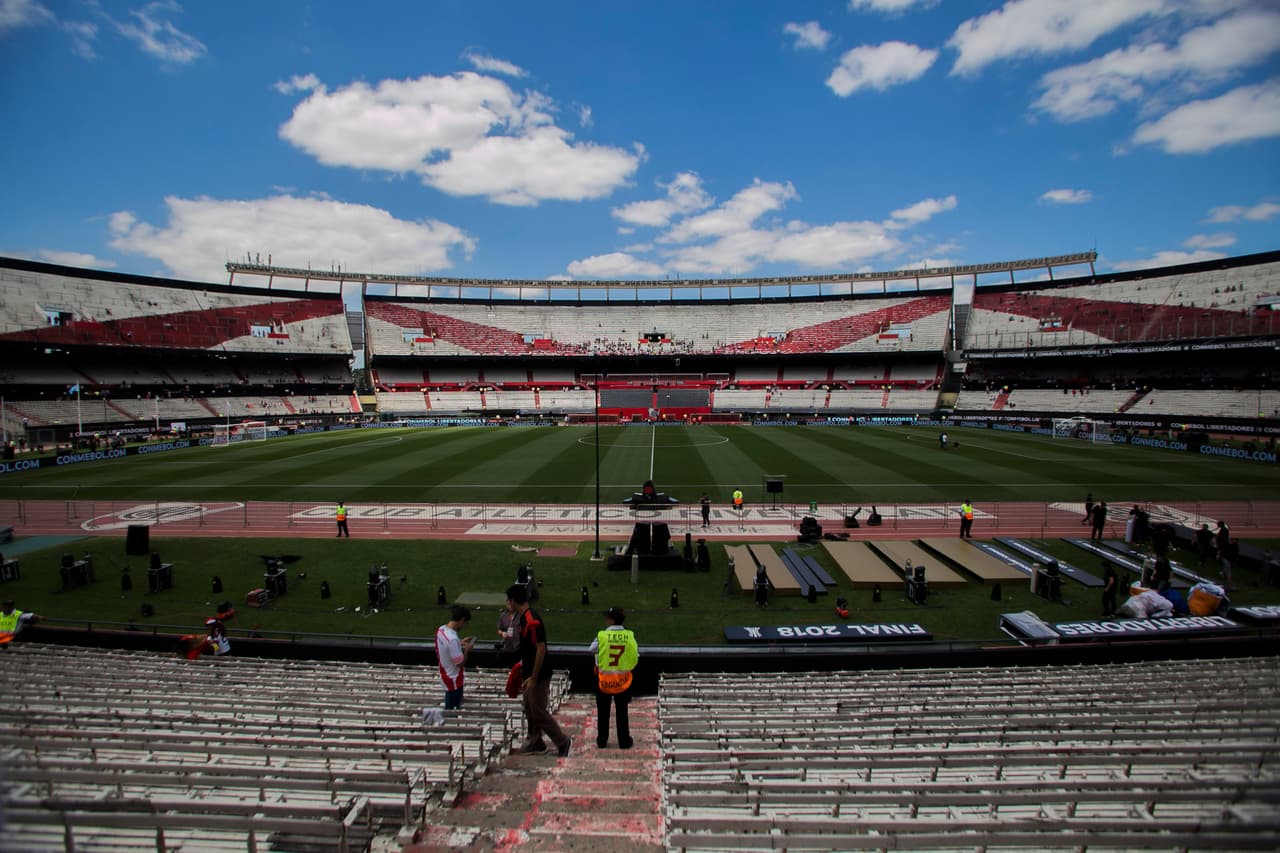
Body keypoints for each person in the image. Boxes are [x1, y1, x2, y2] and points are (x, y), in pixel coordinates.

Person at [506, 583, 571, 757]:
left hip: (538, 674)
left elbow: (540, 648)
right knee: (529, 707)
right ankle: (535, 741)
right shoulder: (524, 617)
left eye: (508, 601)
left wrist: (534, 677)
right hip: (529, 672)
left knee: (538, 711)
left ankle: (562, 741)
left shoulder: (530, 620)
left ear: (513, 601)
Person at [589, 606, 638, 749]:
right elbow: (635, 656)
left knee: (603, 712)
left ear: (611, 620)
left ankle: (602, 740)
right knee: (622, 712)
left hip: (604, 680)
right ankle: (624, 741)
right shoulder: (629, 635)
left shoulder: (602, 635)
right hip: (622, 681)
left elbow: (591, 649)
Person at [435, 605, 475, 710]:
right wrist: (467, 650)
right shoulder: (452, 639)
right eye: (465, 623)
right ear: (461, 619)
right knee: (452, 712)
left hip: (445, 675)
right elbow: (460, 663)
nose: (464, 625)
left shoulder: (441, 630)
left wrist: (459, 642)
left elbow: (446, 648)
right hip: (454, 681)